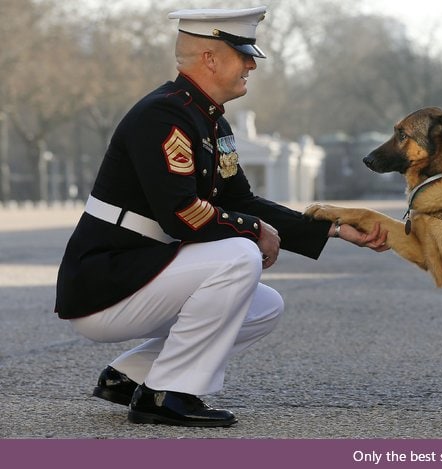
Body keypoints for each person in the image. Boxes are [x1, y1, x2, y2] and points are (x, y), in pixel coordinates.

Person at [54, 6, 388, 428]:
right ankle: (167, 394)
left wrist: (334, 228)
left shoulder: (208, 120)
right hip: (105, 283)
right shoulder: (164, 116)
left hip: (142, 273)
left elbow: (242, 200)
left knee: (264, 306)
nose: (252, 62)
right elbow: (181, 214)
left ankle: (130, 377)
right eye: (242, 53)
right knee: (238, 257)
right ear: (210, 59)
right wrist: (254, 232)